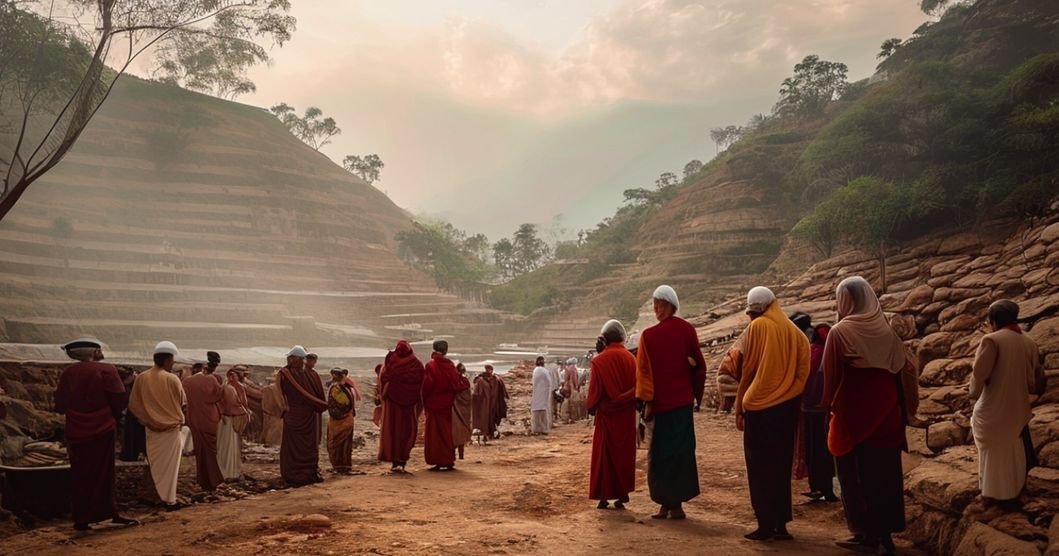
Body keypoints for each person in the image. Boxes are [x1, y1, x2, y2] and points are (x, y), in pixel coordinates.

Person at [823, 277, 916, 555]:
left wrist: (827, 407)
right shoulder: (888, 333)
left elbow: (830, 377)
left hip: (854, 415)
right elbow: (906, 370)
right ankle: (885, 536)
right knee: (885, 475)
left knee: (854, 476)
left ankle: (866, 535)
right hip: (888, 416)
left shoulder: (840, 332)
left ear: (847, 300)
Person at [734, 287, 810, 541]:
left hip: (759, 408)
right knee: (780, 466)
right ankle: (781, 524)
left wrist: (740, 406)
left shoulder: (759, 326)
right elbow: (803, 370)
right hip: (787, 407)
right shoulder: (795, 332)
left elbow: (749, 369)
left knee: (759, 468)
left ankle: (765, 523)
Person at [635, 285, 708, 520]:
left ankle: (666, 505)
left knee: (660, 456)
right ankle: (675, 506)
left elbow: (643, 374)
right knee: (681, 453)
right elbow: (700, 367)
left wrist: (646, 403)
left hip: (661, 406)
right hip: (682, 405)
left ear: (665, 305)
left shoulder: (648, 336)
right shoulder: (687, 330)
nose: (655, 308)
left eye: (657, 304)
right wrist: (695, 394)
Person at [55, 338, 139, 531]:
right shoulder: (106, 370)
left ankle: (81, 518)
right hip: (102, 428)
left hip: (75, 429)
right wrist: (115, 417)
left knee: (80, 474)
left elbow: (60, 403)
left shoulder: (69, 372)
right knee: (104, 473)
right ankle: (108, 513)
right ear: (92, 352)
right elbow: (118, 398)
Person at [970, 300, 1044, 505]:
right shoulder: (1029, 342)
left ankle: (991, 493)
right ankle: (1011, 491)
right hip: (1018, 410)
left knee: (993, 449)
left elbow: (979, 376)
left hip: (993, 409)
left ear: (993, 320)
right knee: (1011, 450)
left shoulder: (991, 340)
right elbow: (1033, 382)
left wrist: (973, 392)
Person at [128, 341, 189, 510]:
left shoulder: (142, 377)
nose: (173, 363)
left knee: (154, 464)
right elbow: (182, 402)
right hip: (171, 428)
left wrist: (145, 419)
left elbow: (134, 404)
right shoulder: (172, 379)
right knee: (170, 467)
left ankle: (155, 496)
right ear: (167, 360)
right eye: (172, 360)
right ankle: (170, 500)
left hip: (150, 428)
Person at [587, 320, 638, 510]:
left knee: (604, 456)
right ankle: (622, 493)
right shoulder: (631, 359)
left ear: (605, 338)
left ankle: (603, 496)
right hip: (626, 416)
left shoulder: (599, 361)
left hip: (606, 416)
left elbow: (594, 394)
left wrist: (591, 407)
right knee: (623, 454)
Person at [278, 345, 328, 486]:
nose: (289, 360)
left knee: (305, 447)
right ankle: (304, 473)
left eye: (291, 358)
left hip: (302, 416)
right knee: (300, 447)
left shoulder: (286, 374)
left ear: (297, 359)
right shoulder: (304, 374)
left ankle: (300, 473)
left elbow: (279, 394)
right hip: (302, 416)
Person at [801, 322, 837, 503]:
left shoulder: (811, 351)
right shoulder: (832, 353)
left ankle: (817, 488)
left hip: (809, 409)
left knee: (813, 448)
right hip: (826, 409)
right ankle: (826, 490)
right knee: (825, 449)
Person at [378, 341, 426, 472]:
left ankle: (394, 460)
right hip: (409, 404)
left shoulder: (390, 361)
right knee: (406, 430)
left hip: (392, 403)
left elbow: (383, 378)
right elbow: (421, 385)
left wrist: (383, 394)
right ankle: (402, 459)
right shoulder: (416, 364)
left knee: (392, 430)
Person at [422, 340, 468, 471]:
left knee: (434, 433)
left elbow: (427, 385)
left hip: (433, 404)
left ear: (434, 349)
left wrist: (423, 399)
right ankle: (448, 460)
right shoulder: (450, 365)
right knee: (446, 432)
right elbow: (457, 385)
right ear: (446, 350)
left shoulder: (430, 365)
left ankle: (437, 460)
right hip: (447, 404)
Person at [181, 355, 225, 491]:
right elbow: (218, 395)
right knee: (210, 451)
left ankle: (203, 479)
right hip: (208, 420)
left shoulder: (186, 381)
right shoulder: (211, 379)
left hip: (194, 419)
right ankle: (212, 480)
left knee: (200, 451)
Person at [218, 369, 249, 481]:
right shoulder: (230, 387)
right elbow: (241, 403)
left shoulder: (231, 387)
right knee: (228, 444)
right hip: (229, 419)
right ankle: (228, 471)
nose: (232, 378)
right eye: (231, 376)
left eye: (234, 376)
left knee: (228, 445)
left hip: (229, 419)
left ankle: (228, 470)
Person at [326, 368, 357, 474]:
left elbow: (345, 403)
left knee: (337, 443)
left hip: (340, 421)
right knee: (342, 443)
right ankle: (343, 466)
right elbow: (346, 403)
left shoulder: (338, 388)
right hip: (345, 420)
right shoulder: (342, 388)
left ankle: (340, 466)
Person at [472, 364, 508, 443]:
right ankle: (486, 434)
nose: (487, 371)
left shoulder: (495, 379)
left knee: (490, 418)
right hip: (485, 403)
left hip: (492, 403)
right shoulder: (481, 380)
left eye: (489, 369)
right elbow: (477, 393)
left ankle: (490, 434)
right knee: (485, 419)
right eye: (486, 369)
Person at [120, 367, 147, 462]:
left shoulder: (141, 381)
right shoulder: (131, 383)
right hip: (132, 411)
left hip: (139, 411)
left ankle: (135, 453)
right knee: (132, 434)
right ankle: (131, 454)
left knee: (138, 434)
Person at [453, 363, 473, 460]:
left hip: (458, 411)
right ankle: (459, 455)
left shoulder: (459, 381)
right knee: (458, 433)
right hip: (459, 412)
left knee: (456, 433)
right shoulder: (463, 381)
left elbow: (466, 395)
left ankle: (458, 455)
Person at [260, 372, 285, 446]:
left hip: (272, 420)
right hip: (280, 421)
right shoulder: (287, 390)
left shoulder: (268, 389)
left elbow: (265, 407)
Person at [531, 356, 554, 435]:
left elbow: (534, 383)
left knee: (537, 411)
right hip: (544, 393)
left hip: (537, 393)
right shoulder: (544, 371)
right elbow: (549, 382)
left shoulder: (536, 370)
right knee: (543, 410)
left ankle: (537, 429)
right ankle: (543, 428)